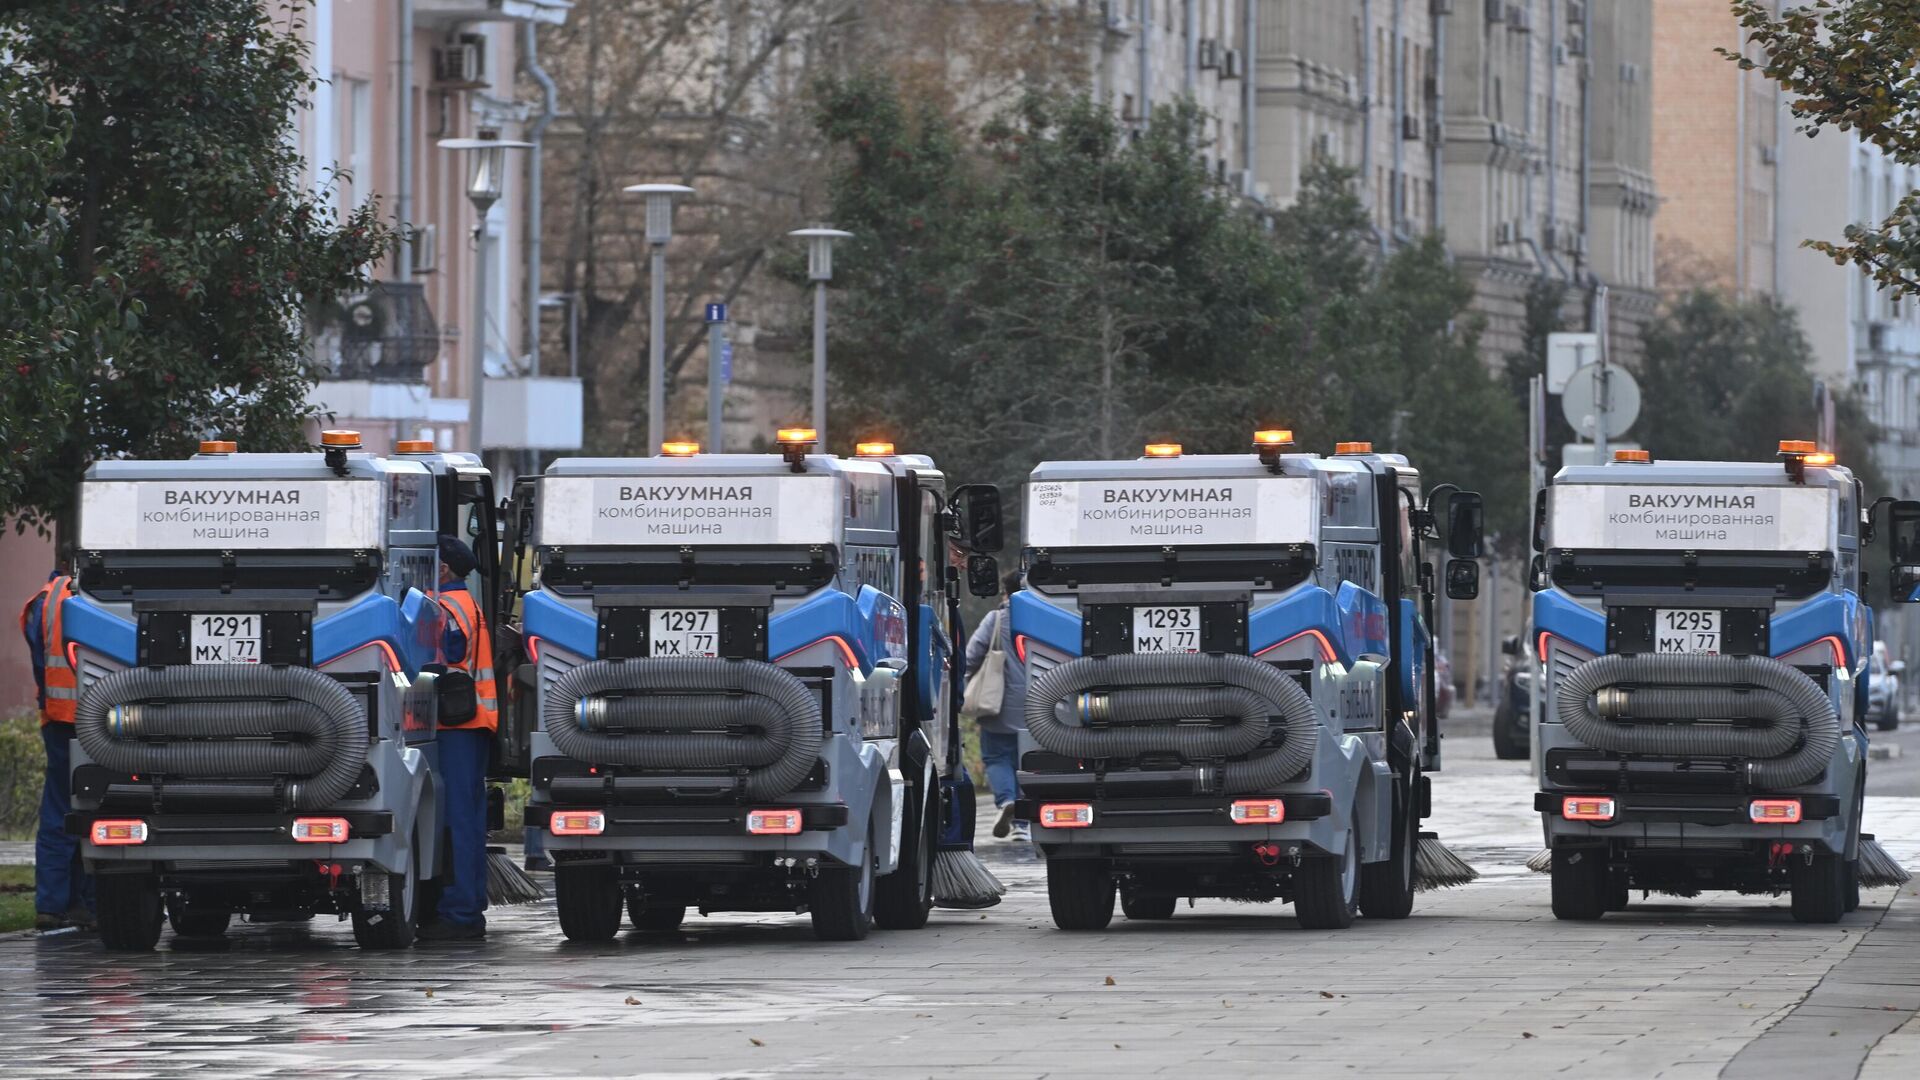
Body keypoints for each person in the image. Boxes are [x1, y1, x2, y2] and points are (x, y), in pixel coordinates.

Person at [420, 536, 497, 942]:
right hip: (470, 726)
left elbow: (442, 655)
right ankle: (466, 909)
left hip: (457, 726)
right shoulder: (465, 602)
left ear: (443, 569)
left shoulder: (447, 607)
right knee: (467, 819)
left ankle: (461, 913)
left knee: (458, 821)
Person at [20, 566, 92, 931]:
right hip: (102, 719)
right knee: (100, 806)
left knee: (58, 810)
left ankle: (52, 904)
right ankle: (91, 904)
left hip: (60, 719)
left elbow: (39, 664)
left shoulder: (44, 601)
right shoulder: (97, 594)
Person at [965, 569, 1029, 841]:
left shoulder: (996, 619)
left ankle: (1005, 803)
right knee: (1027, 763)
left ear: (1006, 593)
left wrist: (966, 681)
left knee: (996, 757)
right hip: (1041, 702)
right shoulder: (1045, 618)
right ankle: (1023, 825)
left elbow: (972, 654)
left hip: (998, 701)